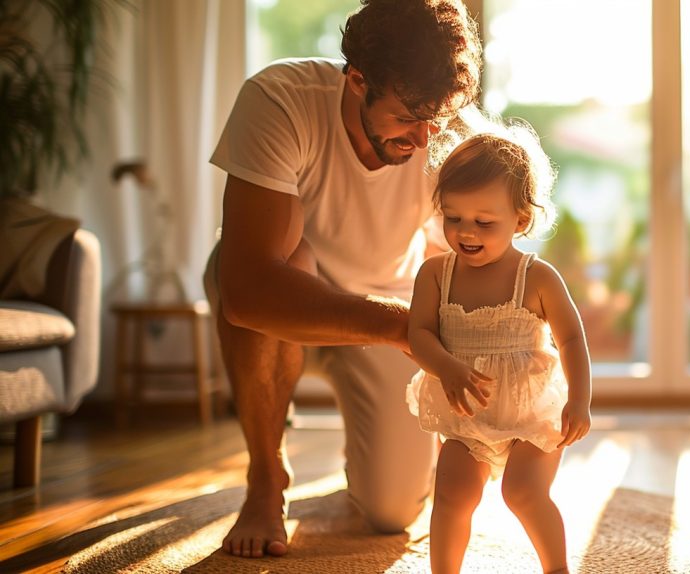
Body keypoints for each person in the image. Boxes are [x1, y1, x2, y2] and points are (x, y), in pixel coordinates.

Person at [202, 0, 482, 559]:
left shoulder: (446, 134)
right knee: (255, 268)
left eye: (438, 118)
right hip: (303, 303)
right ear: (357, 80)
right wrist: (406, 328)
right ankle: (265, 480)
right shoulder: (281, 99)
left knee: (392, 512)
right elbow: (250, 288)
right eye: (407, 118)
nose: (426, 138)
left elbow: (461, 257)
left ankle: (368, 469)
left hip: (387, 308)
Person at [406, 127, 593, 574]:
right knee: (451, 495)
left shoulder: (538, 277)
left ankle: (557, 570)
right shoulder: (436, 274)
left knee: (523, 493)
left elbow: (571, 338)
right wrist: (447, 368)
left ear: (521, 219)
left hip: (530, 415)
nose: (465, 232)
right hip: (467, 417)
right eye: (453, 218)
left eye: (484, 222)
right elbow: (419, 335)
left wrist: (580, 400)